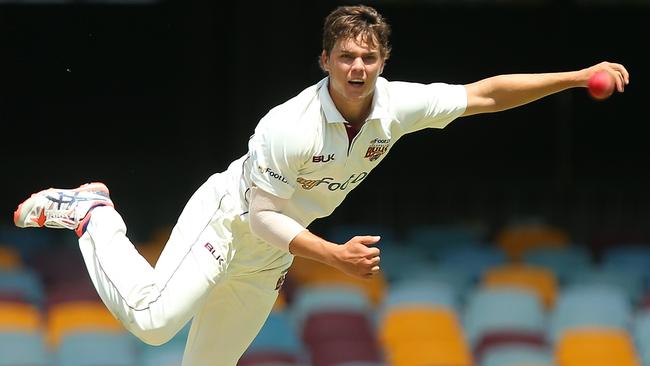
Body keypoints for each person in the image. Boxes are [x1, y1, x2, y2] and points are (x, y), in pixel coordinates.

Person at [13, 4, 629, 365]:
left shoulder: (400, 105)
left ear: (382, 61)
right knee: (151, 321)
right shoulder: (289, 125)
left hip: (265, 261)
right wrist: (332, 255)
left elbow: (485, 93)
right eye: (345, 58)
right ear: (326, 62)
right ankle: (94, 214)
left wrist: (576, 76)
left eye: (367, 57)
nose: (357, 68)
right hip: (229, 224)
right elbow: (261, 219)